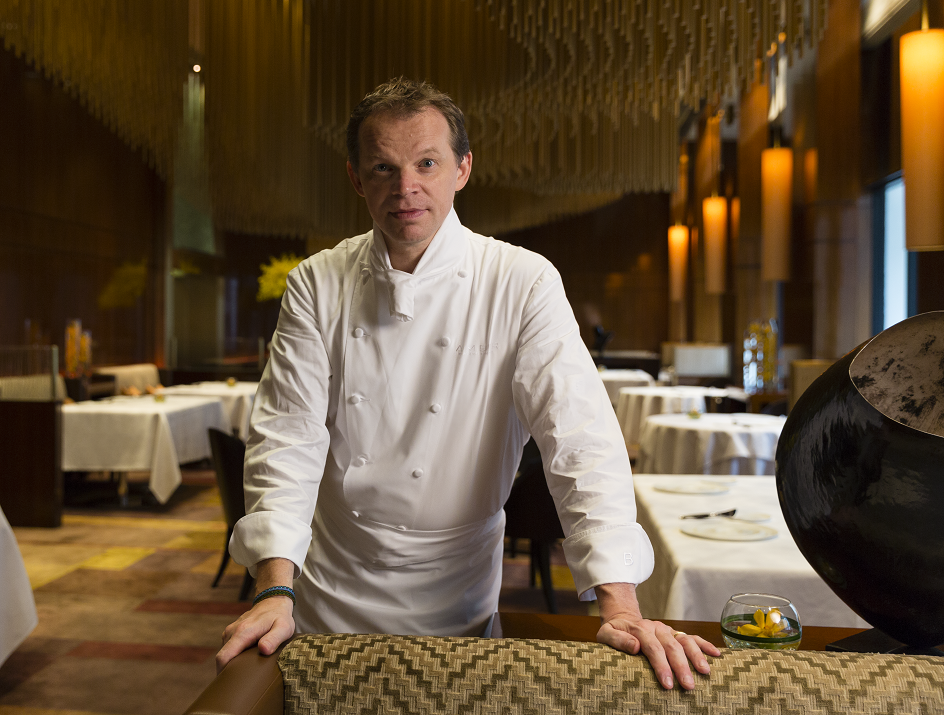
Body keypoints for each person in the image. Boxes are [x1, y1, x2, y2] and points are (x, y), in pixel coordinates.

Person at [217, 77, 719, 688]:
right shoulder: (317, 283)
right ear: (356, 178)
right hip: (332, 589)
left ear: (463, 169)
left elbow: (580, 440)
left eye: (426, 163)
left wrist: (622, 608)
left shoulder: (521, 281)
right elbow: (286, 440)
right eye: (383, 168)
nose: (406, 187)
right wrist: (275, 590)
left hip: (459, 596)